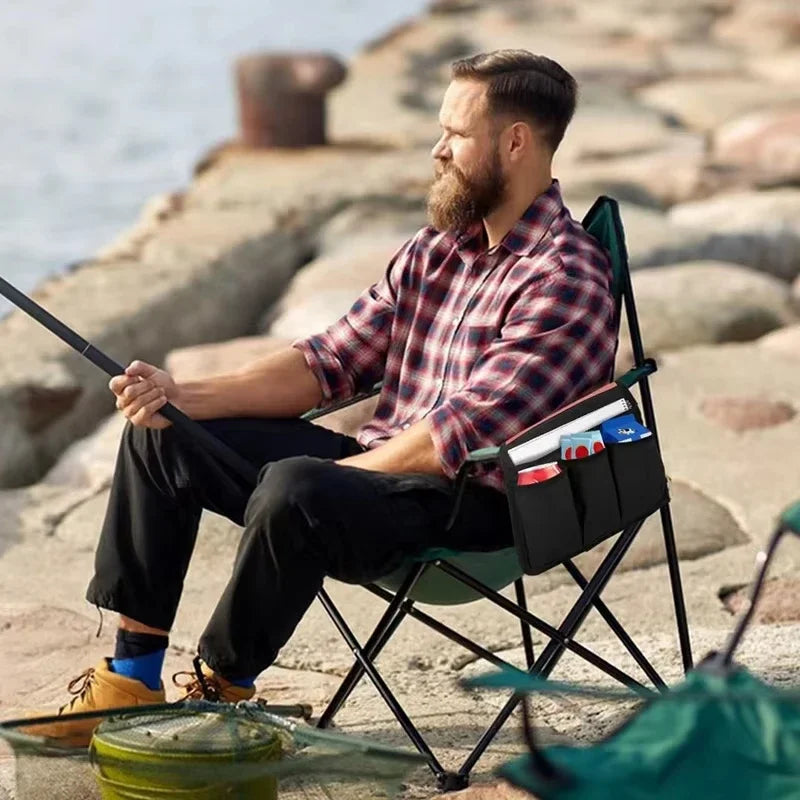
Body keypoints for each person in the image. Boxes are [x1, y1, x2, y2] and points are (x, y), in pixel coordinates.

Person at [33, 49, 617, 745]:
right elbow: (327, 362)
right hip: (383, 478)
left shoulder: (566, 275)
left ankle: (219, 696)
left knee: (296, 490)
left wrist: (331, 481)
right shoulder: (438, 251)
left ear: (515, 142)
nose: (438, 151)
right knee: (163, 434)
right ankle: (131, 677)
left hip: (482, 504)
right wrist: (183, 396)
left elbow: (452, 439)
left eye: (455, 135)